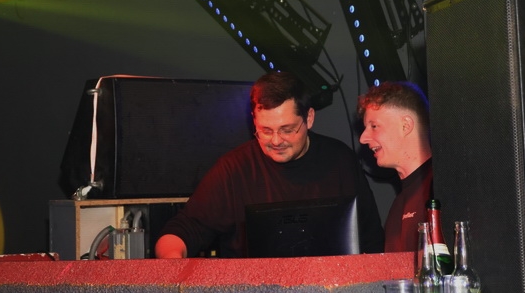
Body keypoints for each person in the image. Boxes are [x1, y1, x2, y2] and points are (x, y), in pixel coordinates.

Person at [155, 72, 384, 258]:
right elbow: (183, 230)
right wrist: (173, 260)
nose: (275, 141)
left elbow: (372, 238)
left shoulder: (340, 160)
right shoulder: (234, 169)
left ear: (309, 118)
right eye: (265, 131)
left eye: (287, 130)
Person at [358, 81, 433, 253]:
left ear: (406, 125)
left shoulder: (444, 189)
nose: (363, 138)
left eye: (374, 126)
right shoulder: (398, 205)